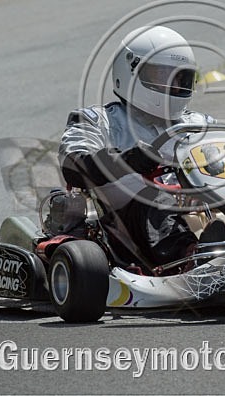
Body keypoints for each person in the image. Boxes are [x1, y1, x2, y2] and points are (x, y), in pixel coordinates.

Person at [59, 25, 214, 271]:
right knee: (150, 196)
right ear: (131, 72)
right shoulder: (99, 120)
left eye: (179, 78)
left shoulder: (198, 123)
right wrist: (128, 160)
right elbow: (73, 163)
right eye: (161, 76)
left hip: (197, 206)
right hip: (128, 222)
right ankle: (189, 257)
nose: (173, 86)